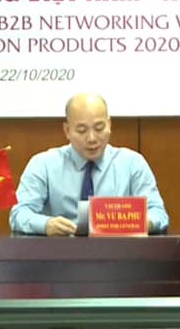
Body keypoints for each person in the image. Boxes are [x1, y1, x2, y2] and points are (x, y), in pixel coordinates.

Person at [9, 93, 169, 236]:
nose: (91, 138)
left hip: (118, 253)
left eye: (99, 128)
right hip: (60, 253)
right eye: (81, 130)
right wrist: (46, 225)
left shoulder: (132, 163)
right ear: (67, 130)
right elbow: (19, 213)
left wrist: (139, 223)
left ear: (109, 125)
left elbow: (158, 213)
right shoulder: (43, 164)